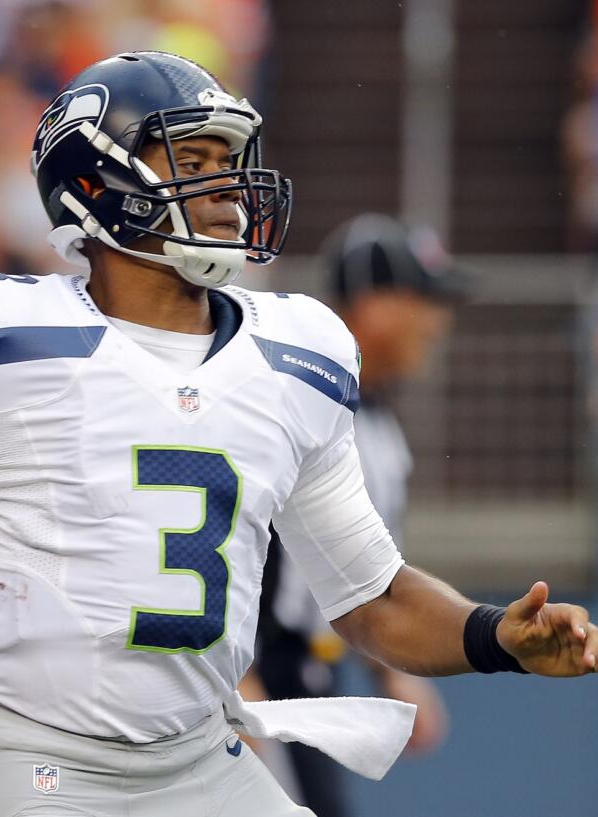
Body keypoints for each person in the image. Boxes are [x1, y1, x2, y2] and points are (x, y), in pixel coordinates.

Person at [0, 52, 598, 817]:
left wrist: (492, 636)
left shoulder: (294, 353)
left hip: (203, 760)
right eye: (193, 156)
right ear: (97, 179)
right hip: (45, 765)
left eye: (229, 157)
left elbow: (370, 599)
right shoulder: (5, 340)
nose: (228, 187)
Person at [254, 214, 462, 816]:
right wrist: (241, 678)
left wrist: (391, 672)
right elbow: (247, 544)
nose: (437, 320)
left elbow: (360, 569)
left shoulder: (379, 423)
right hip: (273, 671)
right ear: (372, 304)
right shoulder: (298, 402)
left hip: (319, 672)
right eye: (422, 299)